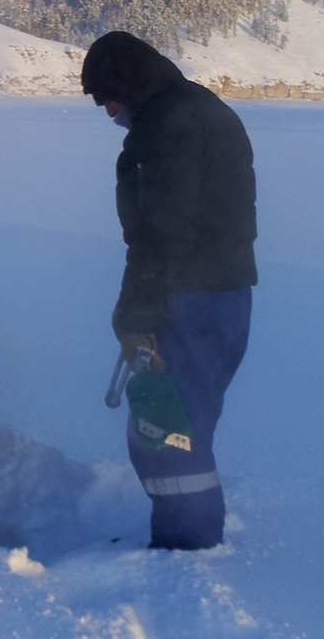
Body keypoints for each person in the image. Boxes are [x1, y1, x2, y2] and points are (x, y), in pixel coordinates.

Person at [81, 30, 257, 550]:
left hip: (189, 299)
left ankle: (187, 551)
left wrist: (136, 309)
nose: (107, 110)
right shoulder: (200, 108)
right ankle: (190, 533)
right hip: (226, 297)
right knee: (186, 427)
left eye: (105, 97)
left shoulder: (166, 125)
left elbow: (164, 231)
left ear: (125, 84)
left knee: (164, 435)